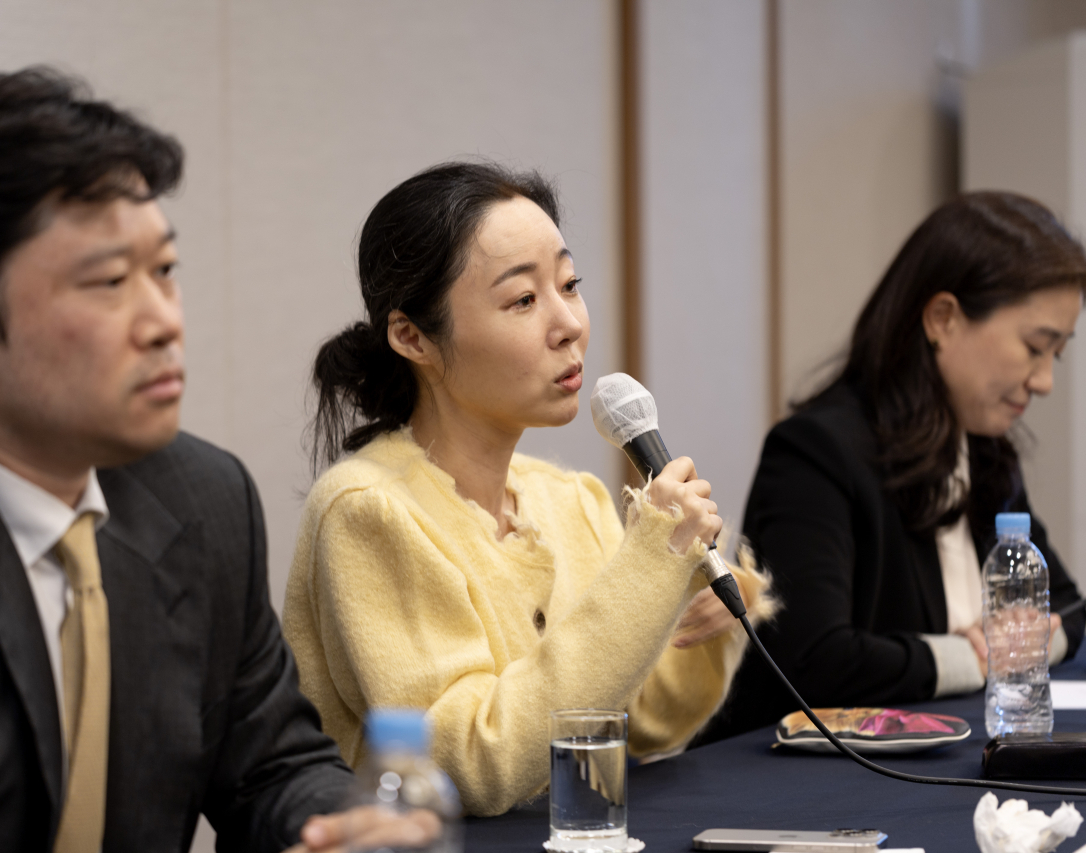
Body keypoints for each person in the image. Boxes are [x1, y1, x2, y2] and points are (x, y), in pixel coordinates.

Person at [0, 67, 424, 853]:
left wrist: (342, 826)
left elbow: (274, 766)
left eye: (164, 270)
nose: (164, 320)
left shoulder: (202, 497)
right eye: (107, 282)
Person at [281, 162, 776, 817]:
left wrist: (698, 611)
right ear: (412, 335)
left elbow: (648, 720)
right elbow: (466, 765)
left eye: (570, 285)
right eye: (523, 299)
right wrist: (646, 567)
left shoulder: (570, 499)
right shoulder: (368, 511)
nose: (568, 323)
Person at [701, 192, 1086, 743]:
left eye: (1058, 354)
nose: (1045, 380)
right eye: (1034, 347)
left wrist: (1012, 645)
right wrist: (975, 657)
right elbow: (814, 660)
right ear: (943, 319)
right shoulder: (815, 452)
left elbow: (1069, 610)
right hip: (809, 783)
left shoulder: (986, 452)